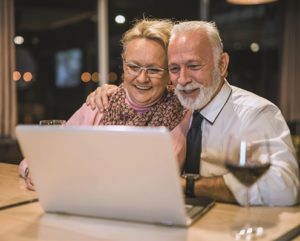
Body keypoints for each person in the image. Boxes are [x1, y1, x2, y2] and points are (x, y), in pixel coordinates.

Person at [86, 21, 300, 206]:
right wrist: (113, 92)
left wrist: (190, 186)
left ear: (222, 64)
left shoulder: (255, 114)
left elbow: (285, 186)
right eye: (174, 68)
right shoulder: (174, 106)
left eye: (194, 65)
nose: (183, 79)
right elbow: (137, 94)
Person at [19, 18, 191, 190]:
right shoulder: (99, 105)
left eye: (153, 70)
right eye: (133, 66)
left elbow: (161, 177)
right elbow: (40, 158)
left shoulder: (183, 112)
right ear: (123, 65)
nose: (142, 78)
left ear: (170, 72)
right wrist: (32, 171)